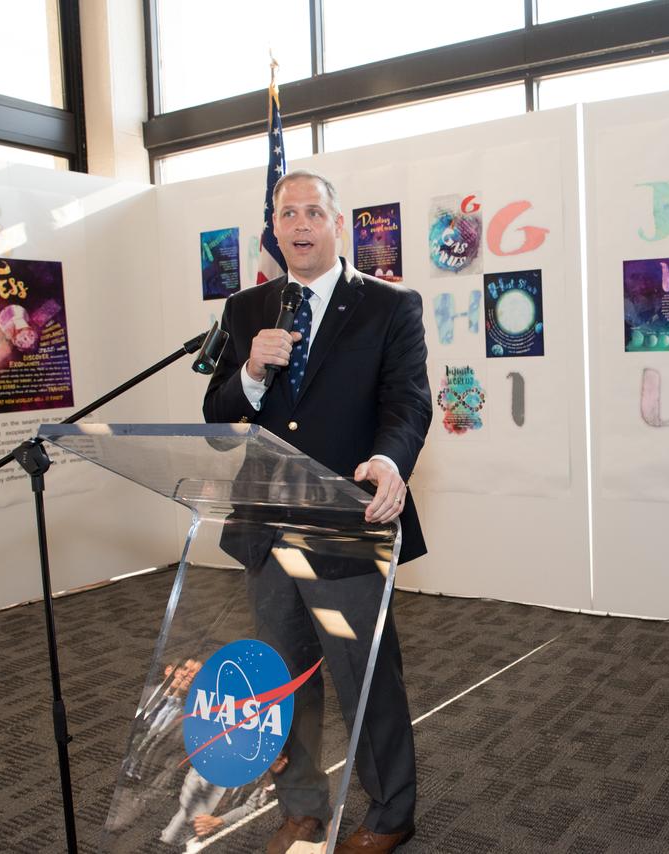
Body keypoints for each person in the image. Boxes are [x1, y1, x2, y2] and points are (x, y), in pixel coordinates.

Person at [204, 170, 431, 854]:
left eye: (312, 211)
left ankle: (391, 812)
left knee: (366, 676)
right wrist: (248, 373)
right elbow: (219, 421)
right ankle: (301, 806)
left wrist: (390, 462)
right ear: (272, 227)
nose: (299, 224)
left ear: (338, 223)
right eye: (286, 212)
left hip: (346, 526)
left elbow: (408, 402)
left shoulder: (389, 307)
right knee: (284, 677)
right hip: (266, 527)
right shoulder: (246, 310)